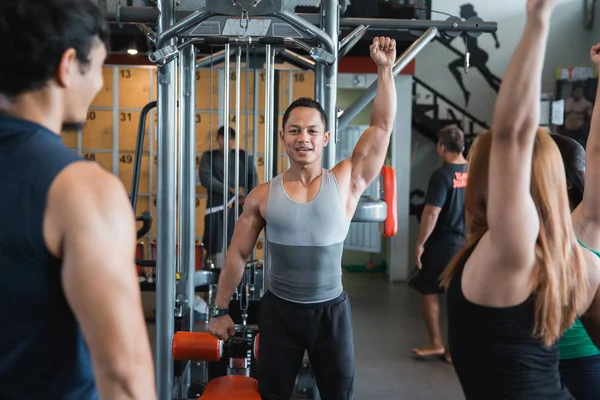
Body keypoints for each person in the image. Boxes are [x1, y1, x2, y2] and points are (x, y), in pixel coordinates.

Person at [208, 36, 397, 400]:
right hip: (279, 312)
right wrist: (219, 310)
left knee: (338, 394)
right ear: (282, 137)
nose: (303, 138)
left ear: (326, 138)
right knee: (273, 394)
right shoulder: (262, 195)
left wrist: (385, 71)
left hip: (331, 313)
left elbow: (381, 128)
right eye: (294, 130)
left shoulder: (346, 180)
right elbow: (237, 255)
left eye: (312, 130)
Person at [440, 1, 600, 399]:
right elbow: (596, 157)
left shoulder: (514, 249)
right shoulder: (580, 257)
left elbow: (513, 135)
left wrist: (538, 19)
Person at [0, 1, 156, 399]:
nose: (101, 84)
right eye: (99, 67)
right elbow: (123, 375)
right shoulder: (80, 190)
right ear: (67, 65)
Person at [553, 43, 600, 400]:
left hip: (582, 363)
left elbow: (596, 152)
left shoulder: (584, 220)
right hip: (540, 362)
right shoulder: (534, 226)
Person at [409, 125, 468, 363]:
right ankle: (454, 349)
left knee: (427, 288)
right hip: (467, 242)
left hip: (445, 242)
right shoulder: (473, 171)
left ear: (442, 147)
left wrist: (420, 243)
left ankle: (436, 342)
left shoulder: (442, 175)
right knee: (458, 295)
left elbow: (431, 213)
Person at [199, 125, 257, 267]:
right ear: (217, 139)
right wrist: (231, 190)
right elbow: (206, 178)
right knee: (212, 244)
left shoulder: (242, 156)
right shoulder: (208, 156)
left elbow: (253, 177)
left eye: (230, 139)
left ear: (233, 141)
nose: (226, 142)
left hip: (239, 206)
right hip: (215, 207)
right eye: (222, 138)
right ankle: (211, 282)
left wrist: (247, 196)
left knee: (240, 244)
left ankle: (239, 278)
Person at [560, 84, 593, 148]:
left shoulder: (586, 104)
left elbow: (591, 119)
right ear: (573, 91)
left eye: (579, 92)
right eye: (576, 91)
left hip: (579, 132)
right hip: (566, 132)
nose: (578, 93)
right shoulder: (566, 102)